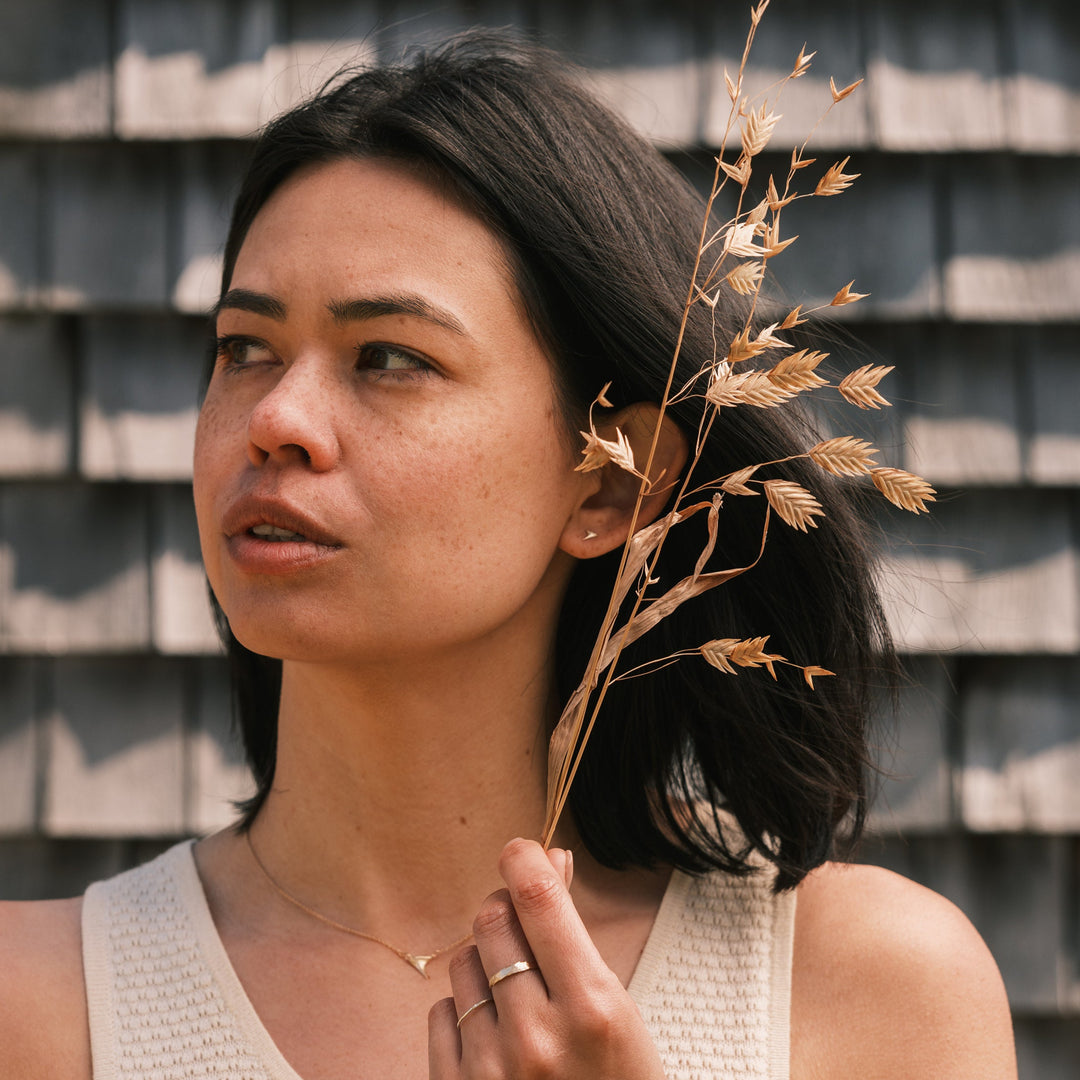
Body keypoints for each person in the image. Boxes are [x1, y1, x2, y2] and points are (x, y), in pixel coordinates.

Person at [0, 30, 1015, 1080]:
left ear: (612, 482)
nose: (278, 417)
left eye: (389, 357)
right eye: (243, 349)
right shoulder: (31, 1011)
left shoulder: (868, 997)